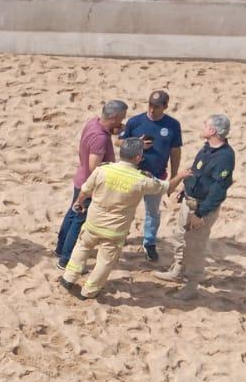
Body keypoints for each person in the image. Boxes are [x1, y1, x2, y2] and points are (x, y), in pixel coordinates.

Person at [59, 137, 168, 301]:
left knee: (81, 248)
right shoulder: (142, 180)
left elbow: (85, 190)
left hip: (94, 222)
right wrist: (180, 175)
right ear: (138, 157)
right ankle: (89, 290)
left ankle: (69, 277)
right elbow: (165, 187)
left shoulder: (103, 170)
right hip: (115, 230)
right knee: (105, 261)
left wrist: (79, 203)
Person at [154, 114, 236, 300]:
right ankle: (178, 269)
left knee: (195, 247)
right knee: (180, 237)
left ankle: (191, 285)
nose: (202, 126)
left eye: (205, 125)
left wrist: (200, 214)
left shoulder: (225, 158)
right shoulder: (208, 147)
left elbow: (218, 190)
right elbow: (196, 172)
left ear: (213, 131)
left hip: (201, 208)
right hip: (189, 201)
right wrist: (185, 189)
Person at [56, 100, 128, 269]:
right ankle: (66, 260)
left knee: (72, 214)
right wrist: (113, 169)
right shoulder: (100, 138)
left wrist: (116, 130)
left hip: (80, 179)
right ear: (115, 117)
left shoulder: (94, 123)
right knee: (79, 222)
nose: (123, 121)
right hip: (89, 186)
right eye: (121, 118)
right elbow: (94, 166)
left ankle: (60, 249)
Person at [120, 91, 183, 262]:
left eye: (156, 107)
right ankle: (121, 235)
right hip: (133, 174)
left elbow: (175, 151)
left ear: (165, 107)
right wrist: (138, 144)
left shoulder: (172, 125)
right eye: (150, 105)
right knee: (126, 208)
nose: (152, 110)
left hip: (156, 175)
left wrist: (174, 175)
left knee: (153, 212)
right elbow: (120, 142)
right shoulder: (135, 121)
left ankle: (149, 243)